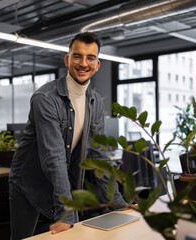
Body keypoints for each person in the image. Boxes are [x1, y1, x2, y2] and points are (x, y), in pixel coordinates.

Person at [8, 32, 126, 240]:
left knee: (72, 235)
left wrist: (116, 201)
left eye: (91, 58)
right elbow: (53, 157)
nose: (83, 63)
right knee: (23, 238)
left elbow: (98, 154)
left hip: (65, 181)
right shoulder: (45, 98)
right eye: (77, 56)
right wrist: (66, 211)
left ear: (97, 65)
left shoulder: (95, 102)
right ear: (67, 60)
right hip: (29, 181)